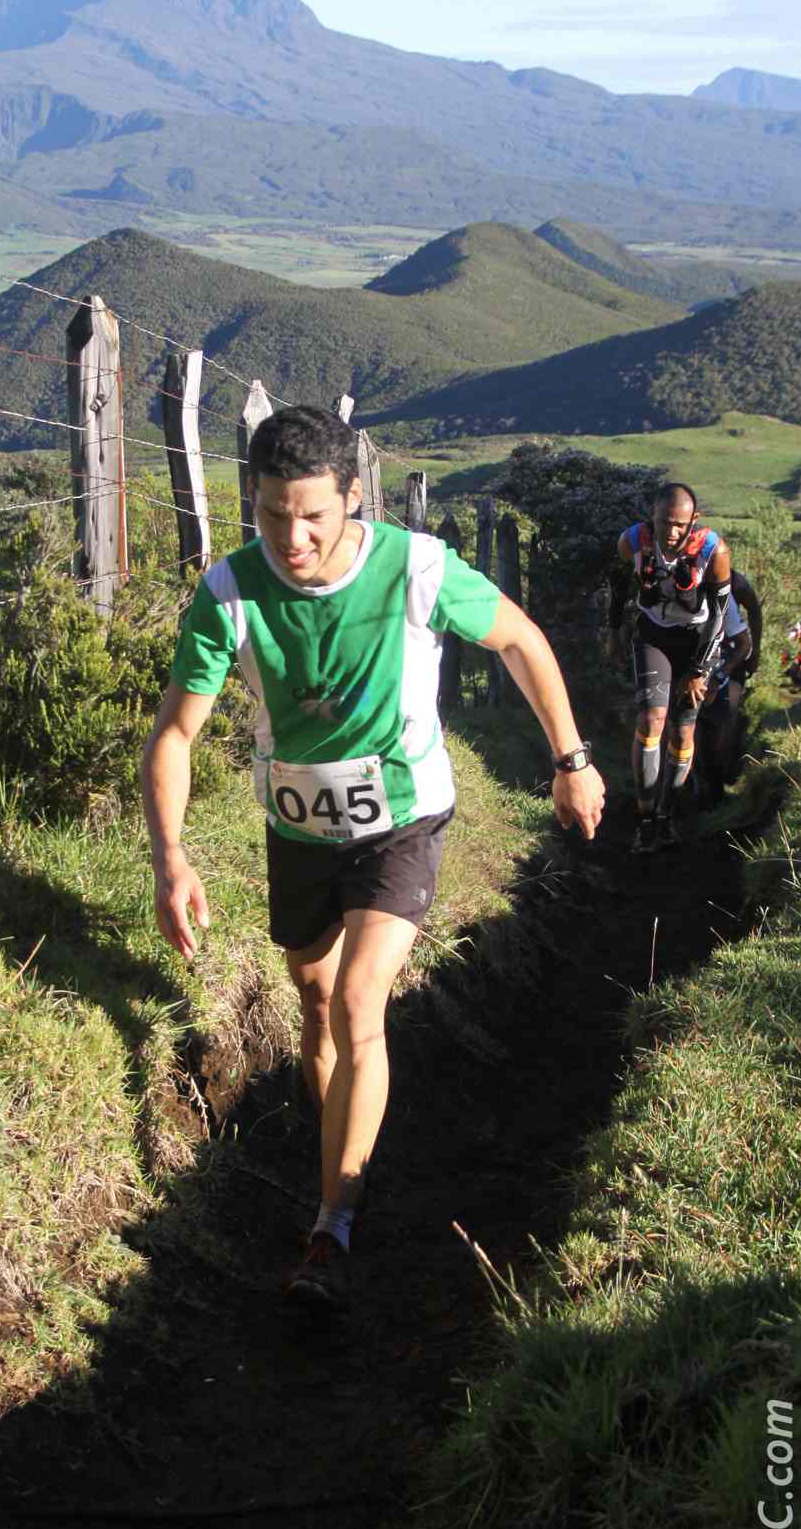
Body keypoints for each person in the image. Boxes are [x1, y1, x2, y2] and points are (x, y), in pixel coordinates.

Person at [140, 406, 604, 1313]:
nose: (293, 535)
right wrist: (171, 857)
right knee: (313, 1000)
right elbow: (174, 735)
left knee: (358, 1001)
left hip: (404, 819)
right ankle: (338, 1155)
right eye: (273, 513)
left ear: (352, 497)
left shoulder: (418, 569)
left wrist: (570, 759)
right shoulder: (228, 591)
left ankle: (331, 1224)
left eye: (312, 513)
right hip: (299, 830)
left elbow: (519, 639)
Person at [611, 482, 732, 853]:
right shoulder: (632, 542)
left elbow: (719, 616)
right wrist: (614, 630)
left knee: (681, 735)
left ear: (694, 520)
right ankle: (645, 817)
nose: (672, 532)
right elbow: (619, 585)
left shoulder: (715, 552)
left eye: (680, 524)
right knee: (650, 720)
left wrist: (699, 670)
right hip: (654, 635)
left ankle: (667, 814)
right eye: (665, 523)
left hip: (697, 642)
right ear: (653, 517)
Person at [696, 570, 761, 800]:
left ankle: (720, 778)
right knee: (698, 725)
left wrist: (756, 651)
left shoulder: (736, 582)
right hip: (697, 658)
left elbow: (754, 610)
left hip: (731, 657)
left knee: (723, 716)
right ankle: (698, 780)